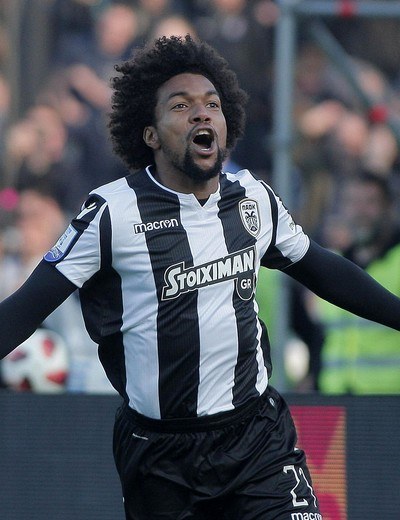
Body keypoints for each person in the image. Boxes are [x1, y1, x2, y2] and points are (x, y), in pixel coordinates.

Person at [1, 35, 400, 519]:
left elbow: (324, 271)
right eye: (181, 105)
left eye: (212, 104)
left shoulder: (253, 199)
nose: (201, 114)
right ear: (150, 135)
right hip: (160, 456)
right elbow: (26, 308)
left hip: (257, 439)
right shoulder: (112, 213)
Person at [316, 173, 400, 394]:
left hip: (389, 400)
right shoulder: (331, 263)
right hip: (335, 398)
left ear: (388, 208)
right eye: (352, 202)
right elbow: (320, 335)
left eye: (370, 202)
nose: (360, 211)